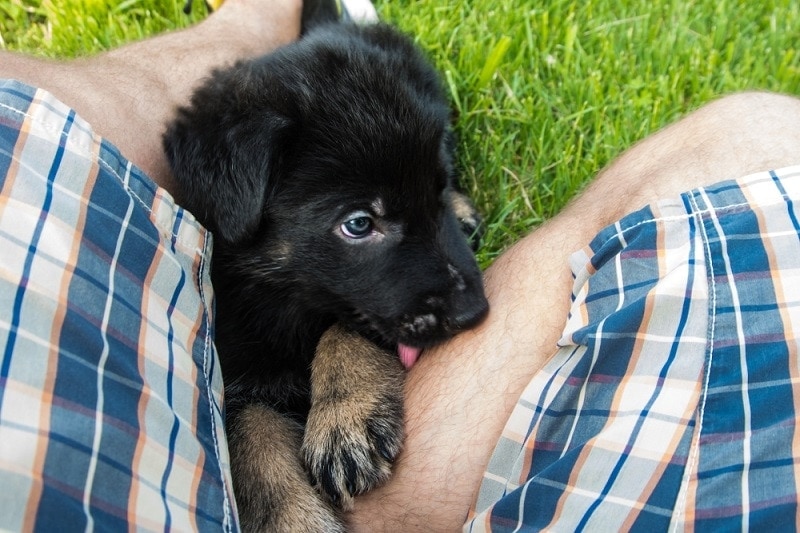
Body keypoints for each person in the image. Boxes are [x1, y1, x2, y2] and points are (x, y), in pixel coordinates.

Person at [2, 1, 800, 531]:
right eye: (363, 222)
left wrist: (349, 337)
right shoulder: (242, 190)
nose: (464, 291)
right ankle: (246, 32)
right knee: (761, 140)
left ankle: (243, 28)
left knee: (29, 144)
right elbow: (239, 399)